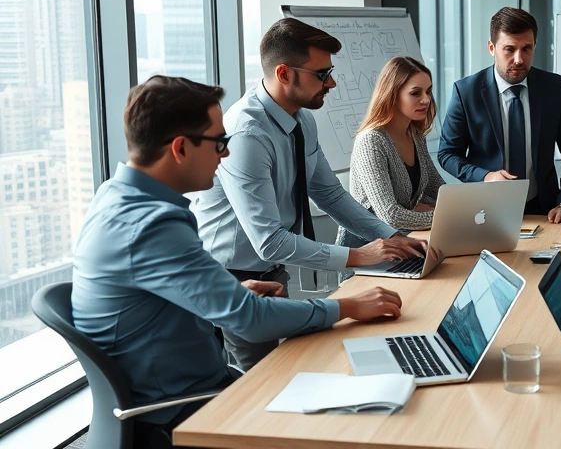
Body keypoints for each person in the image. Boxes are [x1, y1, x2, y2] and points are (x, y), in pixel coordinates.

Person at [72, 76, 403, 447]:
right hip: (183, 411)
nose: (225, 154)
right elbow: (249, 320)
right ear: (180, 148)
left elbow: (154, 304)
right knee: (356, 418)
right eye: (219, 142)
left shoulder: (116, 197)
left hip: (188, 389)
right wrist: (347, 306)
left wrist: (231, 292)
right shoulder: (152, 225)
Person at [191, 18, 424, 370]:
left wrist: (391, 236)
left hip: (273, 270)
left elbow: (330, 194)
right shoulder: (247, 135)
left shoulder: (301, 119)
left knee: (292, 367)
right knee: (261, 385)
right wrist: (359, 256)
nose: (330, 82)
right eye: (321, 74)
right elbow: (268, 241)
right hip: (235, 279)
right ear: (284, 74)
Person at [438, 7, 561, 224]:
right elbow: (448, 154)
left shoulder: (554, 88)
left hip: (545, 210)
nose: (519, 59)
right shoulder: (466, 92)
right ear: (492, 47)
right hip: (486, 210)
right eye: (509, 49)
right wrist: (485, 176)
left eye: (527, 48)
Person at [338, 56, 446, 245]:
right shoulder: (371, 141)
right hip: (367, 247)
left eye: (428, 91)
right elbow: (391, 215)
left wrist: (466, 207)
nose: (426, 100)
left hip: (401, 240)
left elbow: (438, 188)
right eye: (415, 93)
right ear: (393, 95)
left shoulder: (416, 135)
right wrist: (444, 216)